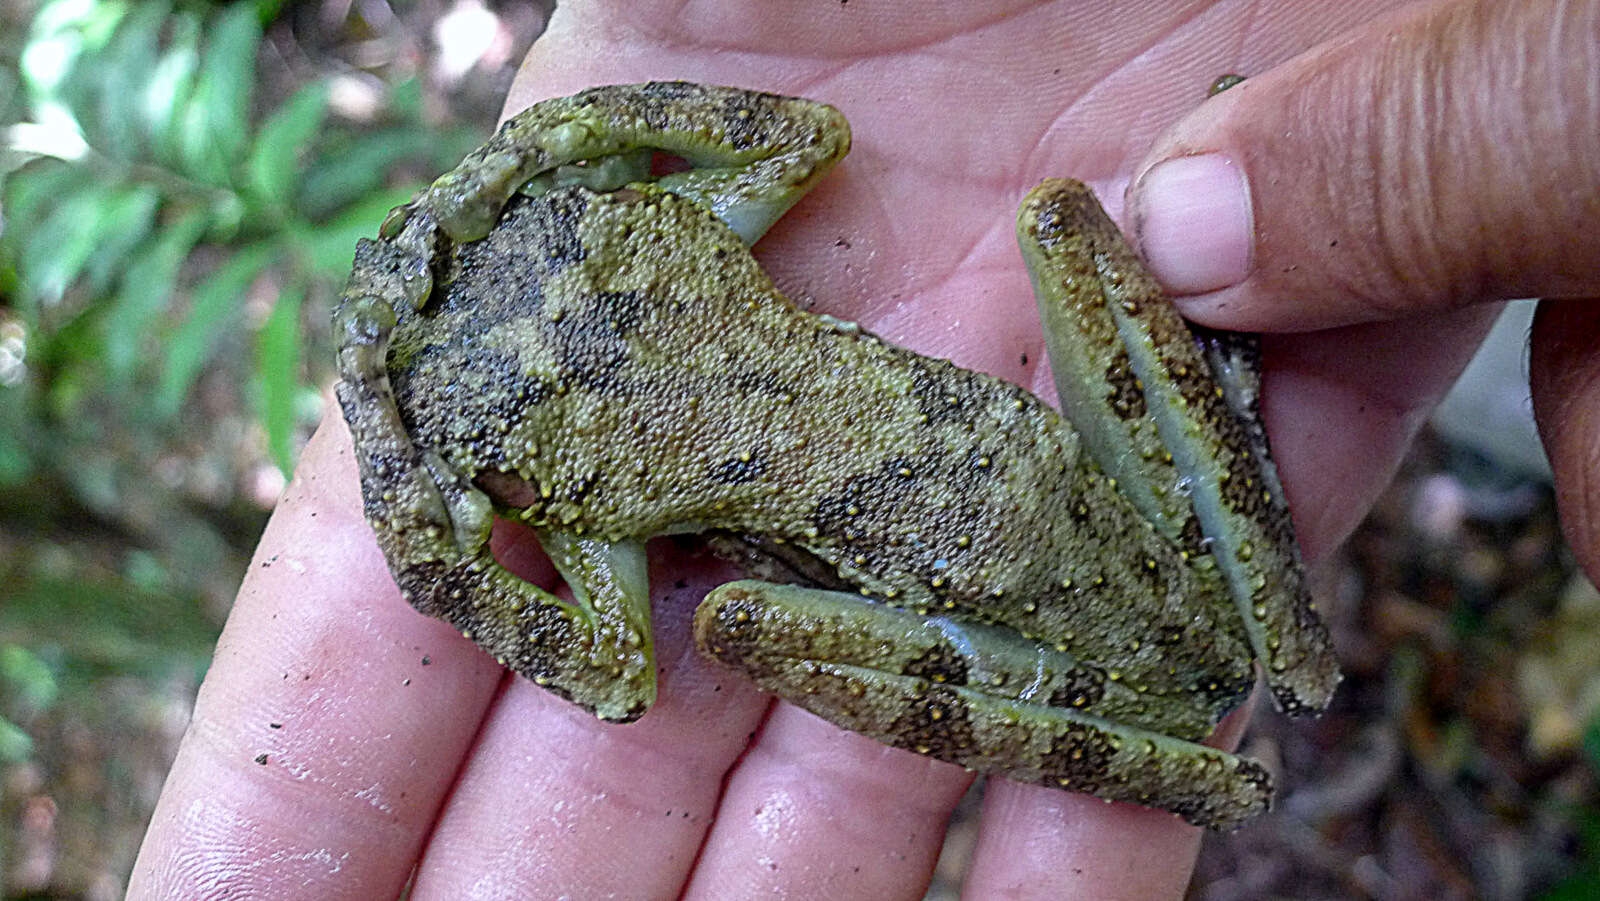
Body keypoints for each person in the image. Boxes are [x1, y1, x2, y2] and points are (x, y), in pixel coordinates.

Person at [127, 1, 1600, 898]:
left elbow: (615, 666)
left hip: (1031, 536)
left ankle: (1219, 722)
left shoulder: (589, 526)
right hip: (1019, 497)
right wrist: (554, 151)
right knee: (1051, 246)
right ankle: (1210, 728)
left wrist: (452, 555)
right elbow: (791, 136)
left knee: (751, 611)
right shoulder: (707, 219)